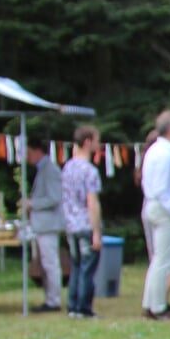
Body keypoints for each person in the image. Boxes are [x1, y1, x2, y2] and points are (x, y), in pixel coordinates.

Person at [140, 110, 170, 321]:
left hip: (155, 206)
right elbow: (160, 190)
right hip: (163, 208)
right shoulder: (164, 154)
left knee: (159, 260)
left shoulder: (155, 150)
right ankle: (157, 306)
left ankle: (151, 303)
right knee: (163, 260)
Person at [60, 126, 103, 320]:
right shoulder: (89, 171)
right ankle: (84, 307)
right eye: (96, 140)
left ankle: (73, 306)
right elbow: (92, 202)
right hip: (85, 224)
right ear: (87, 142)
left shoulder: (67, 167)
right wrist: (96, 231)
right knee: (87, 268)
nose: (99, 144)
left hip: (70, 224)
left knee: (76, 266)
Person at [22, 142, 65, 312]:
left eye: (29, 151)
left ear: (38, 150)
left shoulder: (51, 170)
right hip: (41, 226)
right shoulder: (42, 169)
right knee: (45, 264)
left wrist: (33, 203)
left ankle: (54, 300)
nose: (27, 156)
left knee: (51, 263)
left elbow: (55, 198)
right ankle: (49, 298)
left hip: (49, 225)